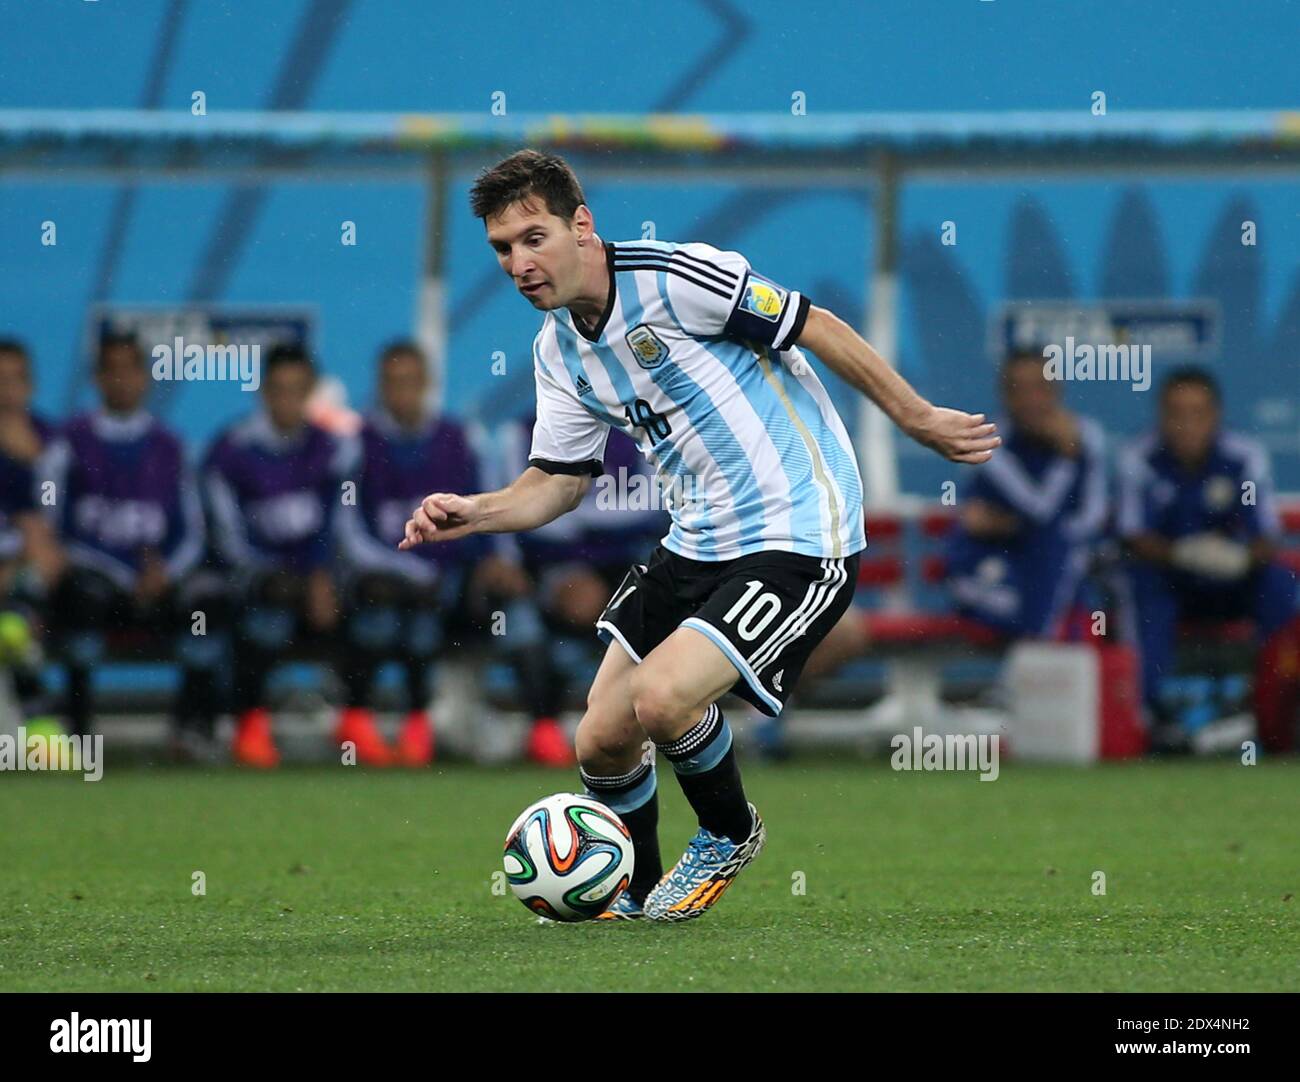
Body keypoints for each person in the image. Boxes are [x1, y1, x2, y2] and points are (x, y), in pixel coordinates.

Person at [401, 149, 997, 921]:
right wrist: (473, 511)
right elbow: (561, 481)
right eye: (502, 249)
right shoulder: (559, 351)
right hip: (699, 539)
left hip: (799, 528)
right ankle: (638, 889)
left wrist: (917, 417)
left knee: (661, 699)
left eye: (533, 237)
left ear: (581, 226)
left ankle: (728, 830)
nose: (519, 263)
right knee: (601, 739)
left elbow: (815, 325)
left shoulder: (677, 277)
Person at [337, 341, 574, 765]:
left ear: (426, 383)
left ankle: (544, 727)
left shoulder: (460, 439)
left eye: (412, 382)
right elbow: (349, 533)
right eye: (394, 383)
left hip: (458, 577)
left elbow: (492, 507)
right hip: (394, 581)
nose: (403, 392)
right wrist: (409, 571)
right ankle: (374, 725)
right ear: (380, 387)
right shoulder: (358, 445)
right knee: (387, 604)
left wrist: (502, 560)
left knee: (515, 610)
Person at [39, 334, 215, 746]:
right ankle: (79, 734)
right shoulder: (69, 441)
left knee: (208, 603)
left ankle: (190, 732)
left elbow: (192, 530)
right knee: (79, 595)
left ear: (145, 378)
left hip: (157, 586)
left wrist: (165, 571)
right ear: (97, 378)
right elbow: (53, 528)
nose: (121, 379)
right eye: (111, 369)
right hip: (98, 583)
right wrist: (119, 570)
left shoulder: (170, 446)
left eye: (130, 368)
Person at [1118, 366, 1297, 736]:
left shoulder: (1244, 456)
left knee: (1278, 582)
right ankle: (1149, 720)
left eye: (1197, 413)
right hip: (1170, 581)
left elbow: (1267, 537)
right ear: (1161, 417)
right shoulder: (1139, 457)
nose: (1187, 424)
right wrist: (1185, 554)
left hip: (1231, 584)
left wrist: (1237, 559)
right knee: (1140, 586)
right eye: (1176, 413)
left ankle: (1280, 711)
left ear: (1215, 415)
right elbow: (1132, 535)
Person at [203, 344, 360, 768]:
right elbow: (225, 537)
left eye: (297, 390)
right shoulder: (231, 451)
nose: (287, 400)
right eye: (278, 390)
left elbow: (341, 523)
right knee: (266, 604)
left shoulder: (333, 449)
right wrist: (285, 574)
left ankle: (355, 720)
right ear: (263, 392)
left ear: (310, 390)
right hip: (256, 576)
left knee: (364, 600)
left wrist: (320, 573)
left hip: (316, 575)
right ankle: (250, 725)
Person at [945, 349, 1108, 638]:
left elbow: (1093, 516)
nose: (1032, 400)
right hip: (992, 569)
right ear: (1005, 396)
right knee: (1042, 599)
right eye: (1020, 389)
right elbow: (1039, 512)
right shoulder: (989, 443)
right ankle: (1038, 651)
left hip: (1059, 564)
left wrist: (1010, 524)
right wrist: (1067, 457)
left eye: (1041, 388)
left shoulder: (1087, 436)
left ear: (1057, 391)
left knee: (1074, 572)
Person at [0, 340, 64, 731]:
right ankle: (42, 730)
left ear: (31, 387)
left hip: (23, 569)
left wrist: (32, 464)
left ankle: (41, 731)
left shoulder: (51, 444)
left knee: (41, 565)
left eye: (14, 380)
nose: (6, 391)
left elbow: (47, 526)